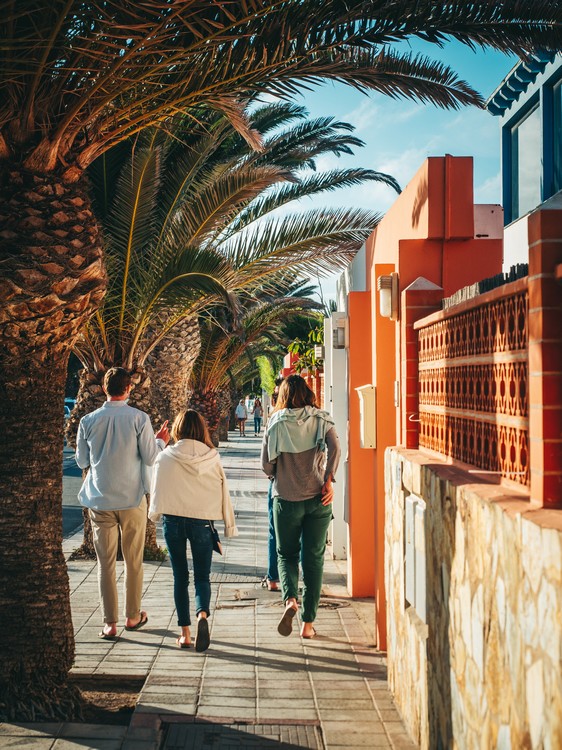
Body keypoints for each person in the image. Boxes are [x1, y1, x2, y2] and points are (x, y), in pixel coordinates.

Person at [76, 367, 170, 640]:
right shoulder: (139, 419)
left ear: (105, 389)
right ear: (128, 389)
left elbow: (82, 461)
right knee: (133, 561)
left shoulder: (87, 421)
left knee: (105, 563)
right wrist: (160, 441)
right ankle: (132, 616)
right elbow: (151, 458)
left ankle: (109, 623)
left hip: (99, 500)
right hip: (131, 499)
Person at [149, 410, 238, 651]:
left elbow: (157, 487)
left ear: (178, 429)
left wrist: (154, 514)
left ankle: (185, 634)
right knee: (202, 576)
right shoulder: (212, 457)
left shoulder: (166, 456)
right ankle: (202, 616)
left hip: (173, 521)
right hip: (202, 522)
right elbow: (223, 489)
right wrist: (229, 524)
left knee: (180, 576)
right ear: (202, 429)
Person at [261, 375, 340, 639]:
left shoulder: (276, 423)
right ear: (307, 392)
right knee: (314, 559)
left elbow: (266, 466)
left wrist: (279, 470)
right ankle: (308, 624)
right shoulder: (322, 419)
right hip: (318, 499)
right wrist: (328, 478)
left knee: (286, 555)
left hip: (285, 499)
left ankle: (291, 600)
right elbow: (337, 447)